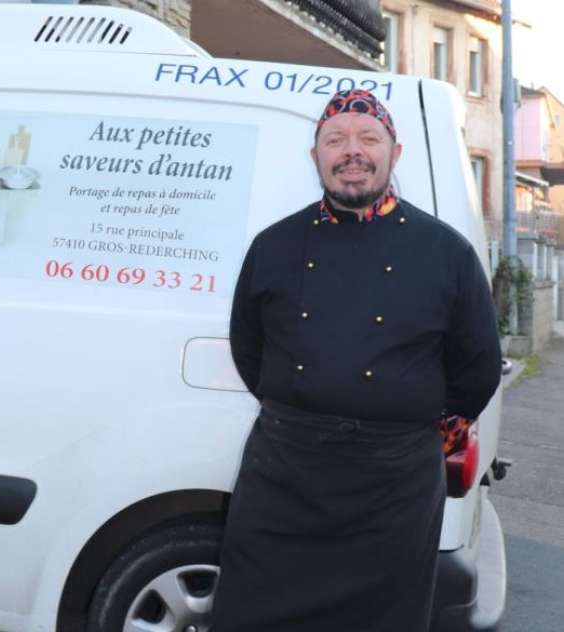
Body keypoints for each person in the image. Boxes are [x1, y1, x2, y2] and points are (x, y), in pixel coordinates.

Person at [210, 89, 502, 632]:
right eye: (335, 139)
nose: (353, 151)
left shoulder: (447, 252)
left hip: (394, 488)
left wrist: (409, 432)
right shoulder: (274, 245)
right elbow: (249, 348)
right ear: (314, 155)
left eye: (369, 138)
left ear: (395, 153)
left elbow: (477, 368)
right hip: (284, 476)